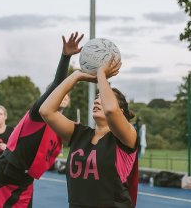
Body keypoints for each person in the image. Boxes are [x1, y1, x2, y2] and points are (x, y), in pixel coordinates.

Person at [0, 32, 83, 208]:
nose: (62, 95)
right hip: (4, 175)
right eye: (58, 93)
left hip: (25, 181)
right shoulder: (38, 114)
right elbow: (58, 84)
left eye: (65, 94)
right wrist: (65, 57)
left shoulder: (60, 125)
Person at [39, 58, 139, 207]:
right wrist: (76, 76)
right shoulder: (79, 134)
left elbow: (111, 110)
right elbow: (45, 111)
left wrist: (101, 75)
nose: (97, 101)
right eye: (96, 98)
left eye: (103, 98)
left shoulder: (127, 136)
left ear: (121, 111)